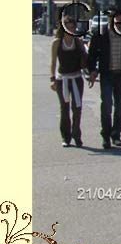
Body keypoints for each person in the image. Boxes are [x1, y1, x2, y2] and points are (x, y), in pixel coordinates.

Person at [86, 8, 121, 149]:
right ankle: (105, 136)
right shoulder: (100, 34)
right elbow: (92, 54)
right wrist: (92, 71)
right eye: (113, 18)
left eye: (118, 18)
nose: (116, 21)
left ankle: (116, 135)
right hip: (107, 74)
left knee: (120, 107)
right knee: (106, 106)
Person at [50, 15, 87, 147]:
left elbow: (84, 58)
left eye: (73, 27)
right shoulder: (57, 42)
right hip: (62, 79)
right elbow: (53, 62)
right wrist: (52, 79)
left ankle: (76, 135)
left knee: (77, 108)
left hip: (76, 78)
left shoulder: (78, 41)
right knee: (64, 109)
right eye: (68, 28)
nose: (71, 30)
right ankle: (66, 137)